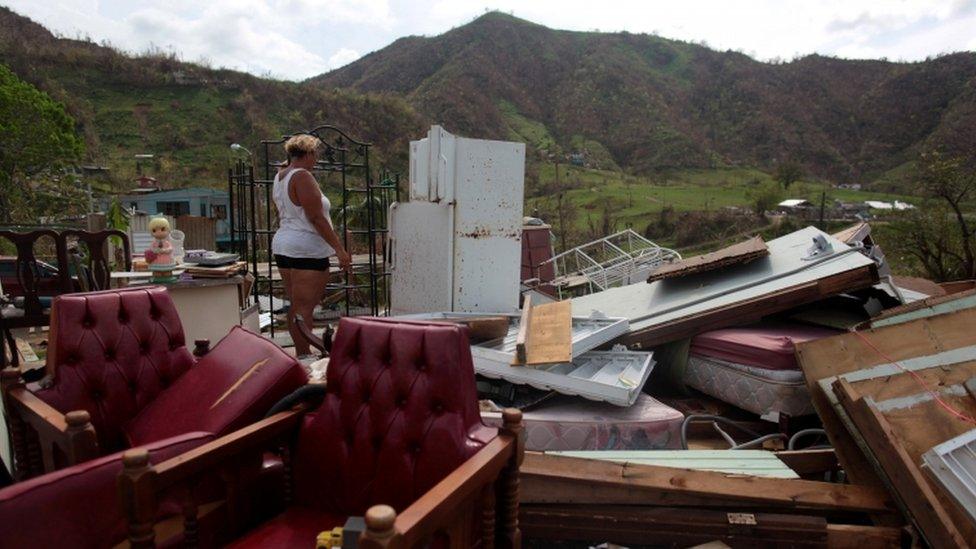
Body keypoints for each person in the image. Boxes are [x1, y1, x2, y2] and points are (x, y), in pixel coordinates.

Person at [271, 134, 351, 358]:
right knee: (305, 307)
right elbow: (316, 218)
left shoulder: (280, 177)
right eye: (315, 154)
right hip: (306, 247)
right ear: (307, 154)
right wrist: (339, 250)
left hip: (284, 245)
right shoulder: (302, 176)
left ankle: (301, 353)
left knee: (295, 306)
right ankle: (305, 357)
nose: (316, 159)